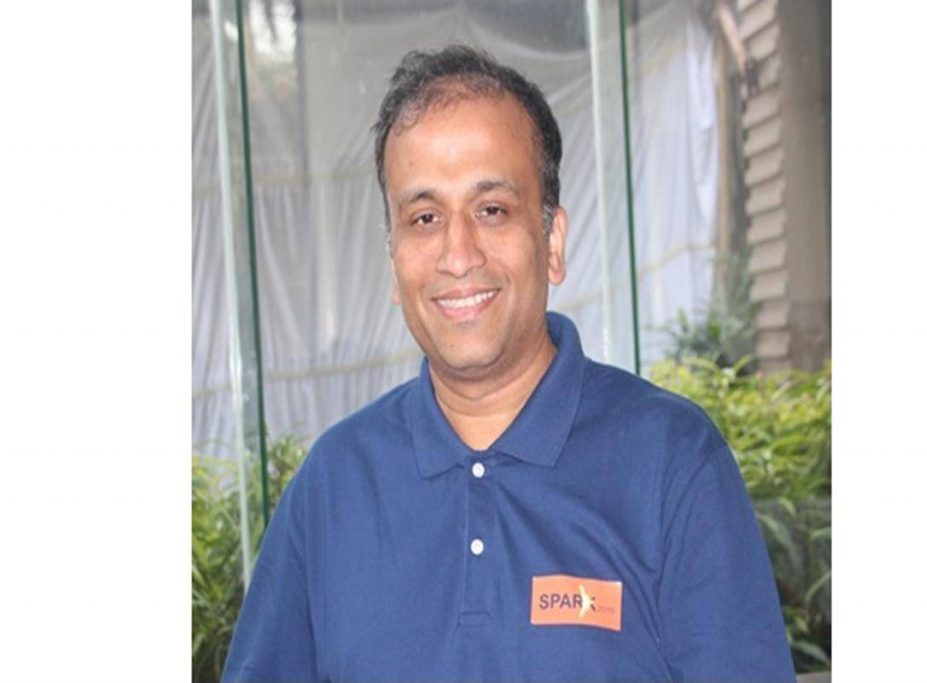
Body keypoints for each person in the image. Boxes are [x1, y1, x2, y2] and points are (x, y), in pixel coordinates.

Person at [222, 45, 795, 683]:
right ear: (394, 262)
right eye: (424, 217)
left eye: (491, 209)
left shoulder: (673, 464)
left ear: (552, 242)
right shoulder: (332, 487)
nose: (457, 254)